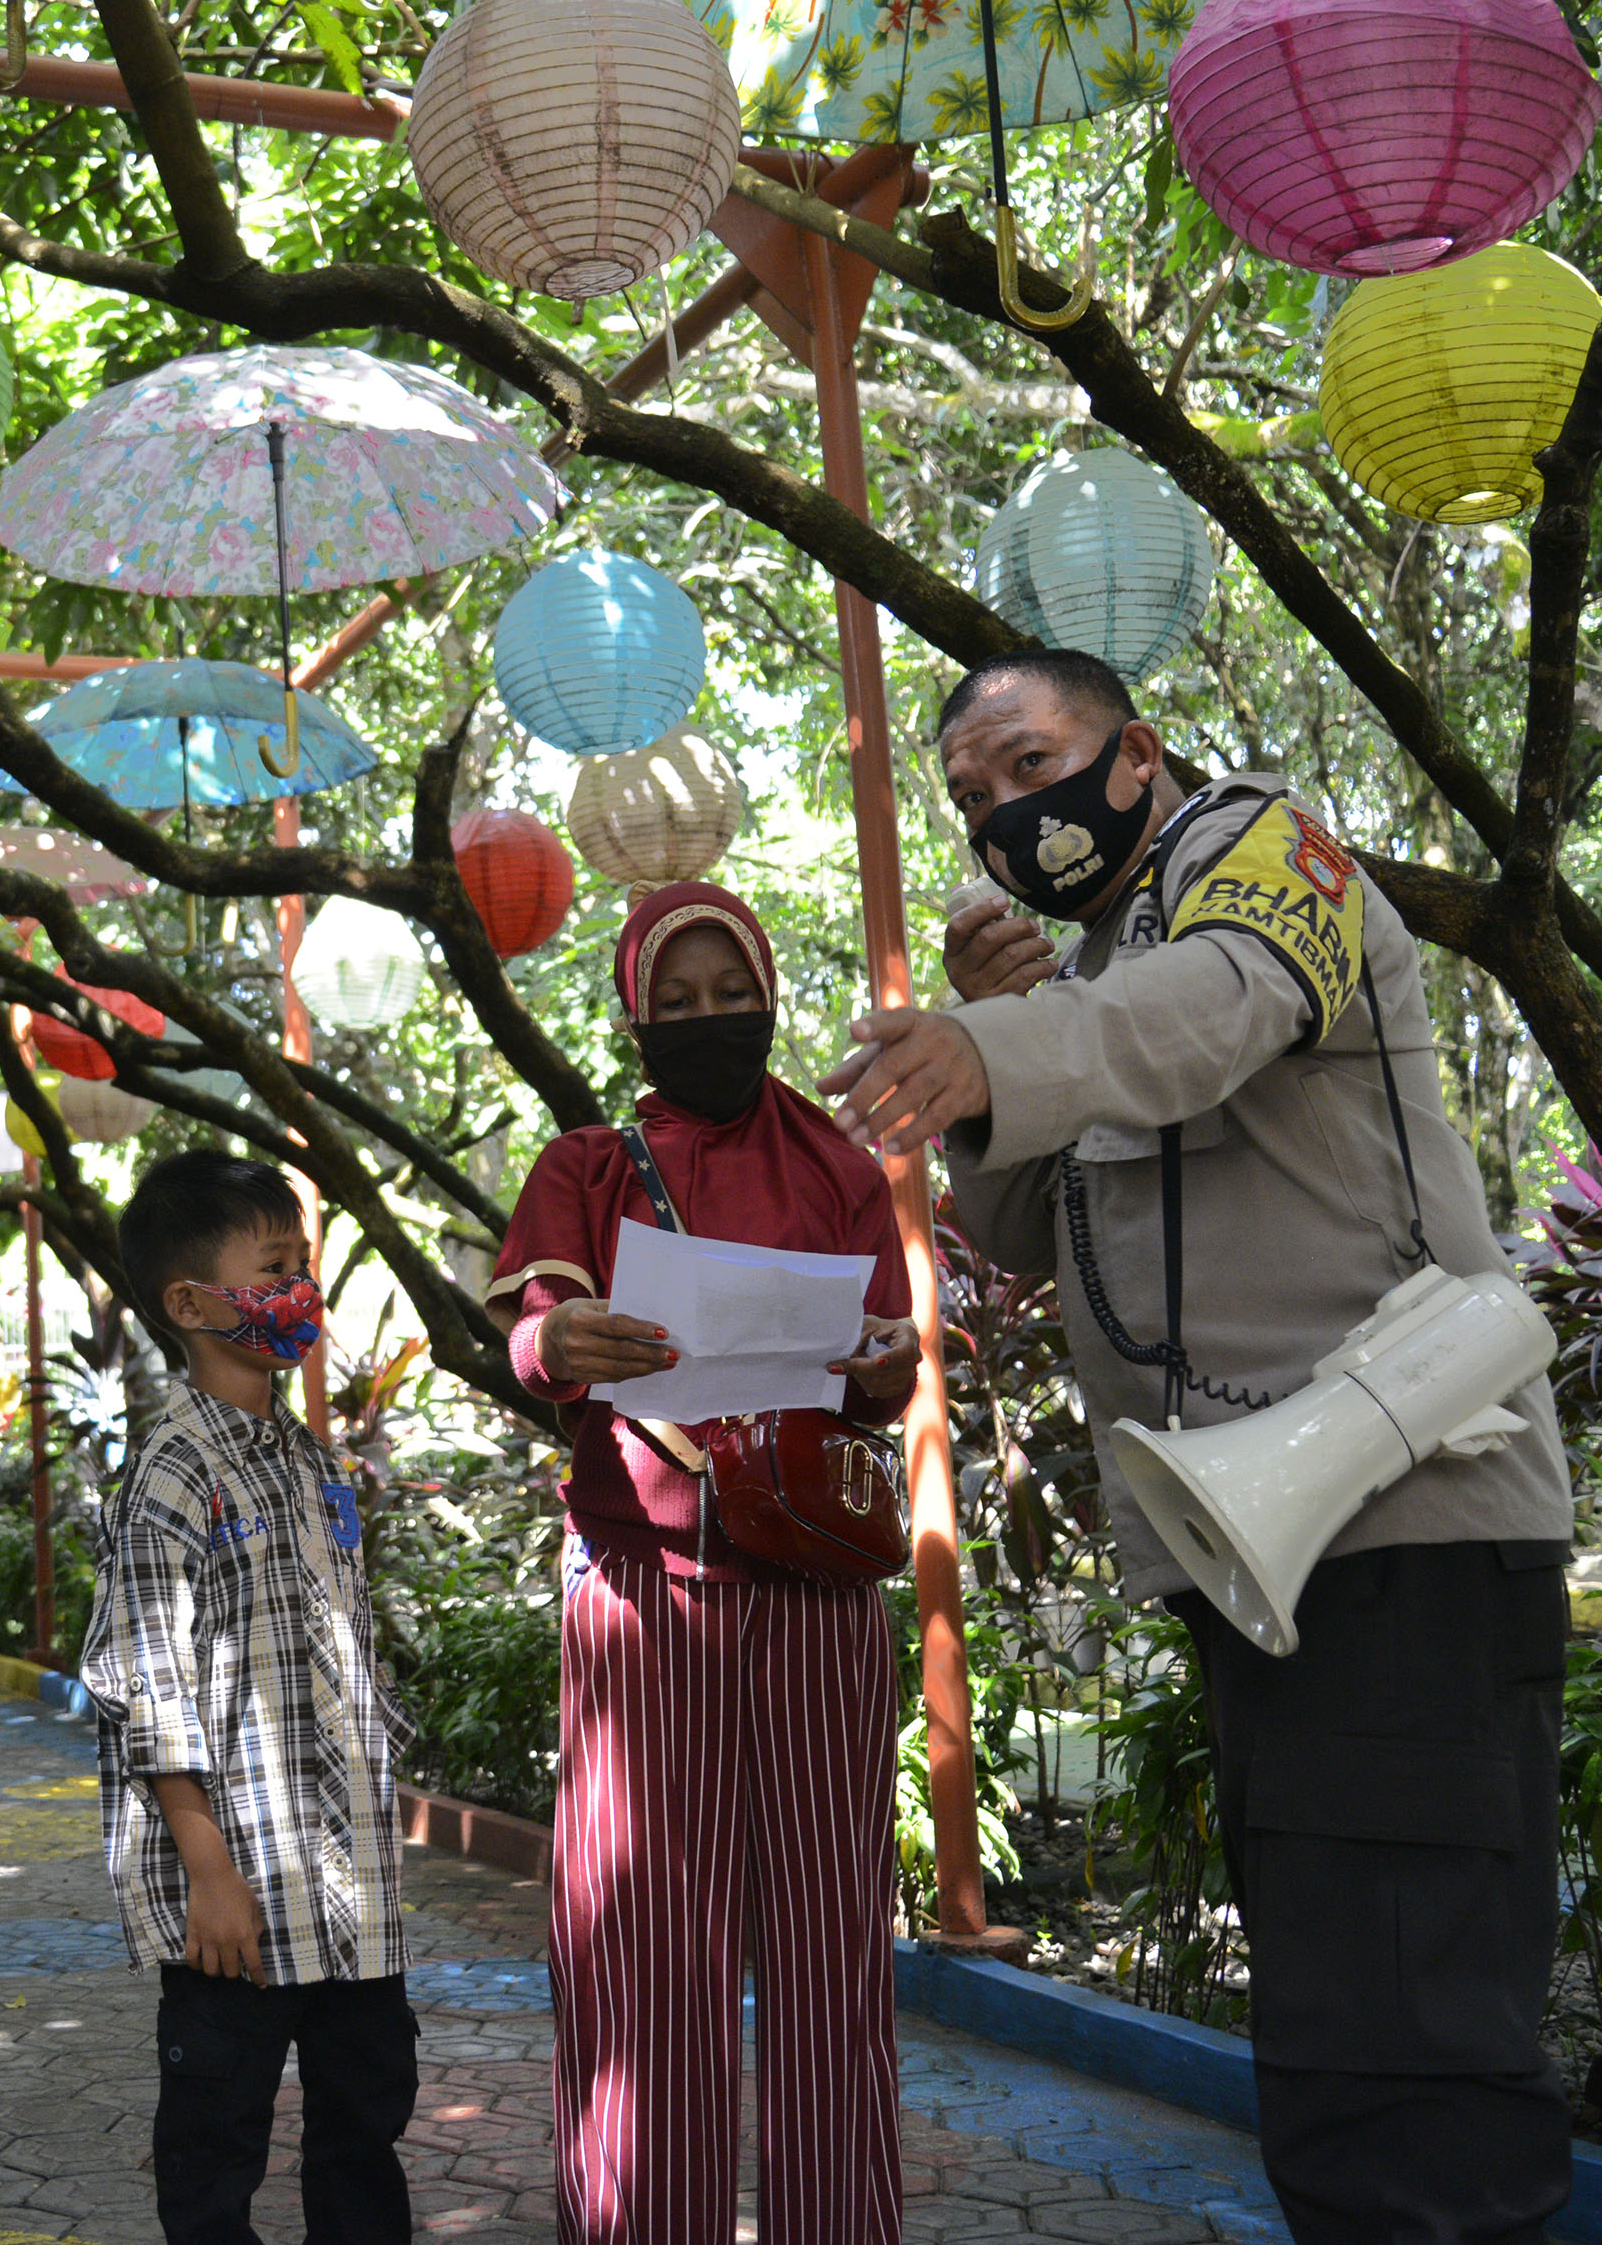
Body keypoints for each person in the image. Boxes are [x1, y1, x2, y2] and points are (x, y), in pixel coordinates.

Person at [828, 650, 1576, 2245]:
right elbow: (1034, 1225)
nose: (1008, 818)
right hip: (1264, 1550)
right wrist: (1004, 1039)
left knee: (1416, 2049)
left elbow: (1221, 1006)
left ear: (1136, 750)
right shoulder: (1103, 976)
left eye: (1032, 768)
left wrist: (1015, 1045)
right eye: (974, 804)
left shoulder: (1262, 851)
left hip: (1403, 1526)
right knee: (1336, 2022)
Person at [490, 878, 924, 2245]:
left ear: (770, 988)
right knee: (642, 1955)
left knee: (829, 1947)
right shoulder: (588, 1165)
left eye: (727, 988)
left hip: (816, 1588)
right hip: (640, 1592)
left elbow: (885, 1363)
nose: (705, 1017)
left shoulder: (840, 1160)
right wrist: (553, 1343)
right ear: (630, 1008)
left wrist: (889, 1364)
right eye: (671, 1000)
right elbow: (534, 1325)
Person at [79, 1149, 414, 2245]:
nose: (299, 1290)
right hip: (237, 1902)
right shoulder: (172, 1472)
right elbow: (146, 1685)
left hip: (347, 1889)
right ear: (190, 1302)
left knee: (365, 2127)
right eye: (274, 1267)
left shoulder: (308, 1459)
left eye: (300, 1264)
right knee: (217, 2147)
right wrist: (208, 1874)